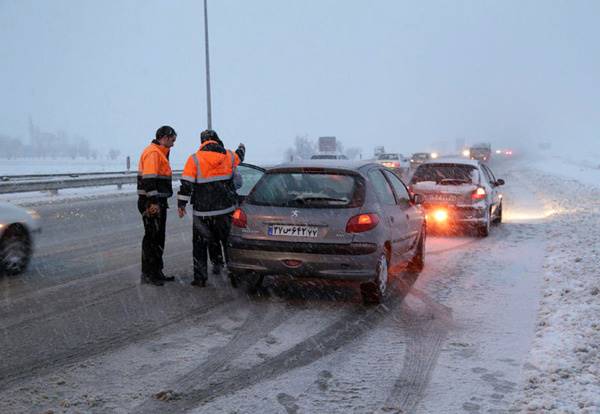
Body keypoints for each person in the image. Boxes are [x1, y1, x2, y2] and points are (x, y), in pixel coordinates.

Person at [177, 130, 245, 287]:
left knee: (200, 246)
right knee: (228, 244)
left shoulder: (194, 159)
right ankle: (235, 277)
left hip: (202, 213)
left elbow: (186, 184)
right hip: (226, 211)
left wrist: (182, 204)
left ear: (202, 142)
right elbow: (239, 156)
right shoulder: (228, 156)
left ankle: (200, 278)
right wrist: (241, 147)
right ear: (217, 140)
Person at [137, 125, 177, 286]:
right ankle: (148, 274)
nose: (174, 144)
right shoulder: (154, 153)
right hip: (151, 202)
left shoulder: (160, 153)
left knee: (158, 238)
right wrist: (153, 202)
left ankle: (156, 271)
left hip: (158, 201)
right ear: (164, 137)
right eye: (172, 140)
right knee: (152, 239)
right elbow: (149, 179)